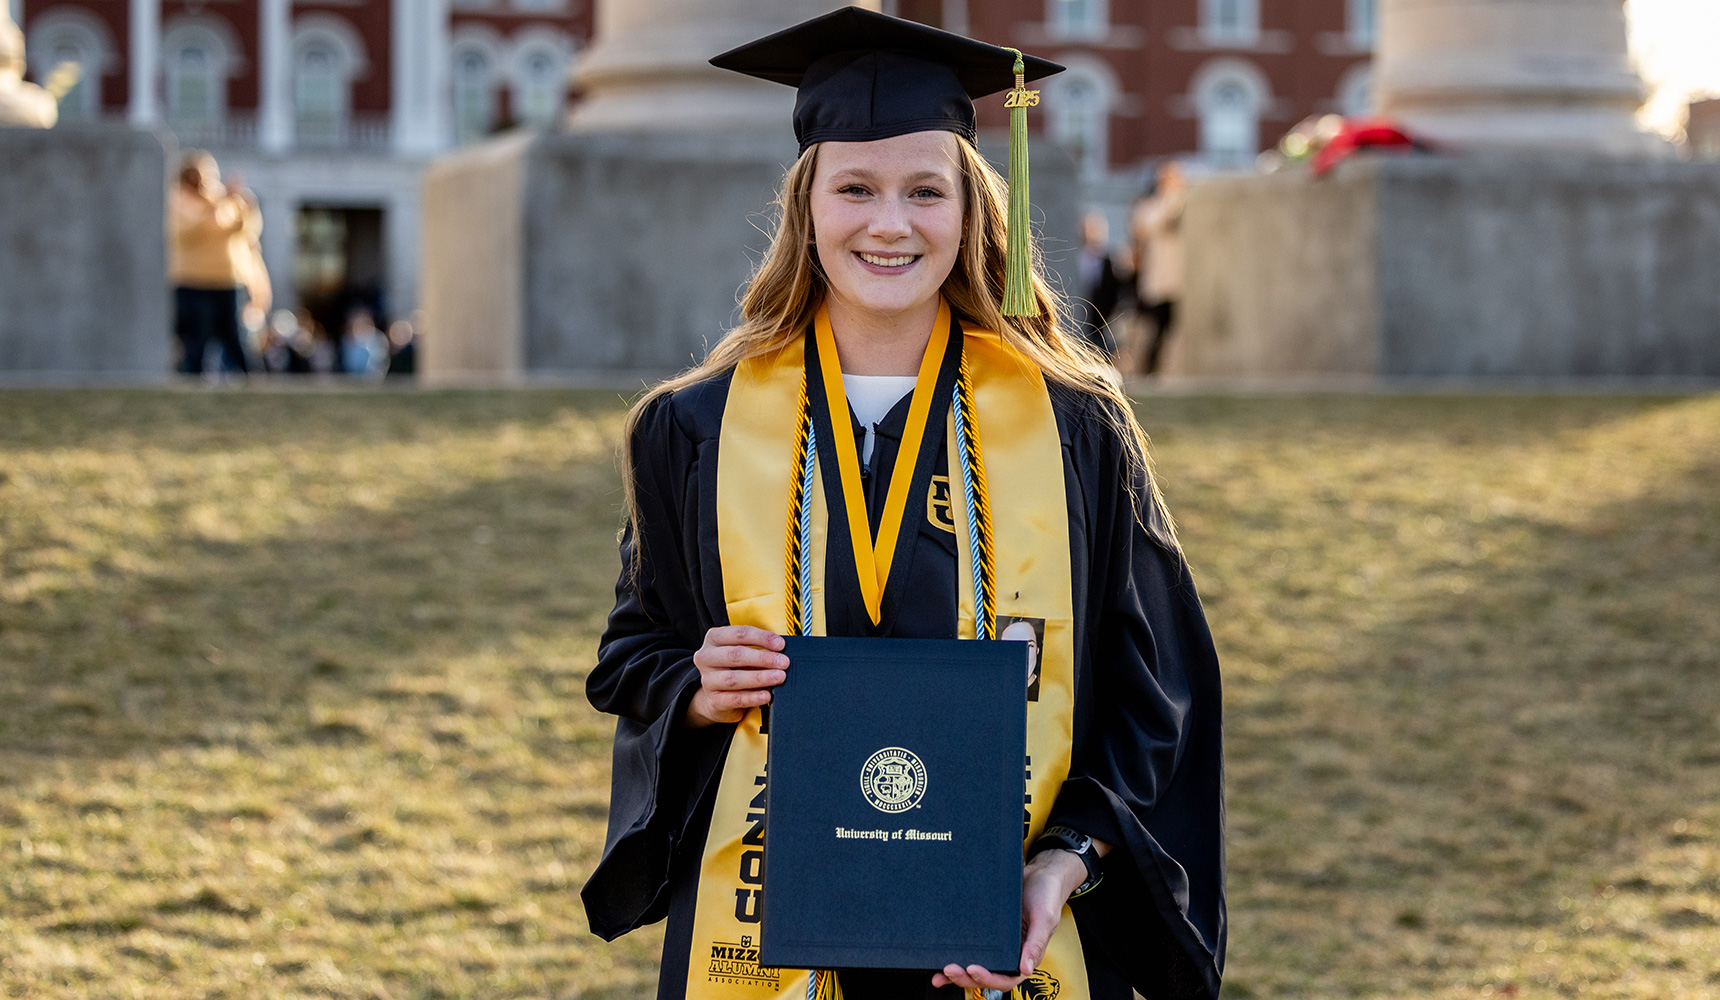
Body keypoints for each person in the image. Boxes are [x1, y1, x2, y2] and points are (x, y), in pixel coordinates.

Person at [581, 10, 1224, 1000]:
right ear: (805, 208)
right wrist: (697, 687)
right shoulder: (691, 431)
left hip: (1003, 930)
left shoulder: (1073, 428)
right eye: (856, 188)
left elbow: (1154, 699)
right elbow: (635, 655)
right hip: (767, 929)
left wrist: (1061, 865)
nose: (890, 223)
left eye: (926, 190)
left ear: (971, 209)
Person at [169, 151, 256, 376]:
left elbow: (246, 231)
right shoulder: (177, 200)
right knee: (197, 340)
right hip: (193, 282)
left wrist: (245, 205)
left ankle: (251, 385)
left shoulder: (223, 198)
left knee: (237, 339)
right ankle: (193, 383)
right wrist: (213, 208)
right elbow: (184, 233)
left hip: (228, 281)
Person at [1130, 162, 1186, 376]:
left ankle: (1161, 369)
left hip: (1177, 278)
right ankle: (1148, 368)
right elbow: (1147, 227)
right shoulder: (1151, 207)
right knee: (1154, 326)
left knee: (1169, 327)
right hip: (1157, 277)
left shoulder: (1181, 202)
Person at [1073, 213, 1124, 362]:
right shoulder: (1076, 257)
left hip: (1101, 318)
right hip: (1078, 316)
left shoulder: (1109, 261)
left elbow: (1114, 289)